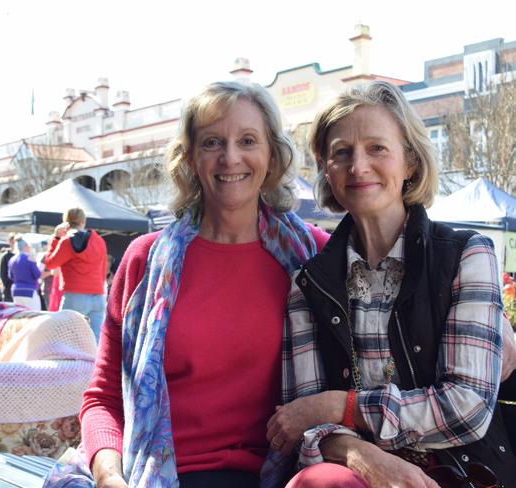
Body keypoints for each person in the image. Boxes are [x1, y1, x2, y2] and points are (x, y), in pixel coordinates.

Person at [66, 81, 366, 488]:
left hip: (283, 474)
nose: (230, 158)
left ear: (272, 156)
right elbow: (103, 397)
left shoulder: (316, 256)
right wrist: (108, 475)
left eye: (247, 140)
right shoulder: (144, 261)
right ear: (190, 157)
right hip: (159, 475)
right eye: (212, 142)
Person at [268, 81, 516, 487]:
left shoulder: (467, 255)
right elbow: (303, 423)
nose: (358, 166)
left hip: (463, 473)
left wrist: (339, 406)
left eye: (377, 148)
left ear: (411, 163)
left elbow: (467, 406)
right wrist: (361, 454)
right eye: (341, 152)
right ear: (327, 171)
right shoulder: (307, 283)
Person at [44, 207, 108, 341]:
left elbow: (50, 263)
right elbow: (103, 271)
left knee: (65, 339)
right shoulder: (98, 241)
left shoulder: (66, 241)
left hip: (75, 295)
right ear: (84, 221)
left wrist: (56, 238)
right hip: (97, 295)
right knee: (94, 342)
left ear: (66, 222)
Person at [7, 238, 41, 310]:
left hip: (16, 291)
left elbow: (10, 276)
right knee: (35, 315)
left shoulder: (12, 259)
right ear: (25, 246)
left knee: (20, 316)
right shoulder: (29, 258)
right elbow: (37, 274)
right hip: (29, 290)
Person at [0, 233, 16, 302]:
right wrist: (8, 285)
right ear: (9, 242)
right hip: (8, 290)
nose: (13, 243)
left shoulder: (21, 255)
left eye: (14, 241)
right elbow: (3, 274)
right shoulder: (5, 256)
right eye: (12, 241)